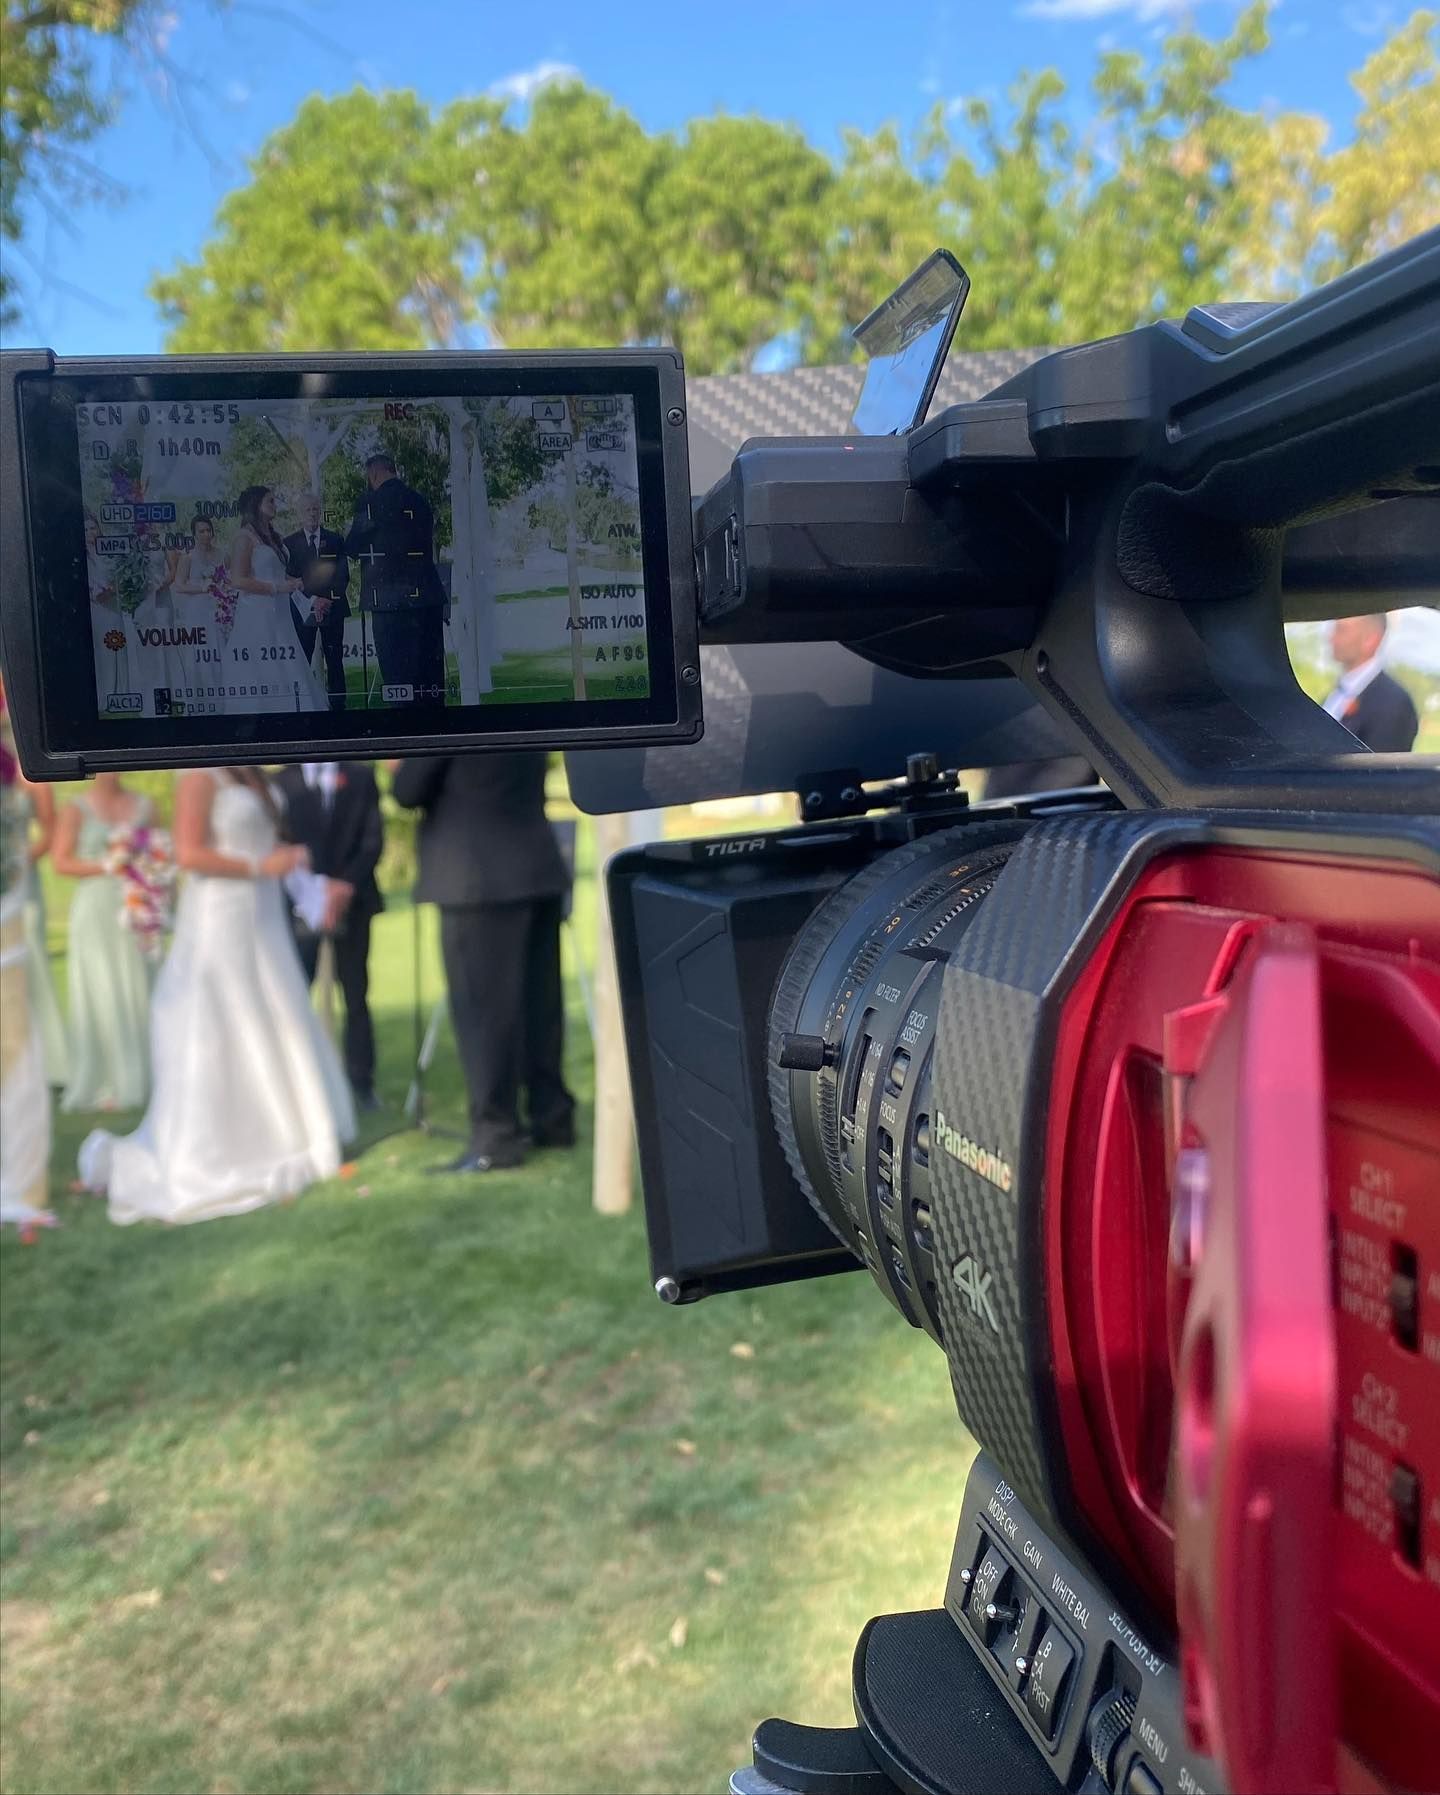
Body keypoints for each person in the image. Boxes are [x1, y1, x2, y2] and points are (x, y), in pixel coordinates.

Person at [78, 768, 357, 1225]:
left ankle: (290, 1129)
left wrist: (285, 860)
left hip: (263, 915)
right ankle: (228, 1143)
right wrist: (260, 866)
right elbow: (189, 853)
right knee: (227, 1018)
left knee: (276, 1012)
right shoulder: (199, 776)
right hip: (220, 914)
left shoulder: (253, 774)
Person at [391, 753, 575, 1174]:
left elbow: (407, 792)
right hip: (536, 869)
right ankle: (552, 1119)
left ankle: (496, 1136)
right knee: (539, 1006)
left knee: (483, 1016)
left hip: (476, 880)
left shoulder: (443, 707)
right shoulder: (521, 696)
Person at [273, 761, 384, 1110]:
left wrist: (343, 887)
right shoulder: (282, 782)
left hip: (353, 900)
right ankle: (297, 1083)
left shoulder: (362, 775)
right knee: (294, 992)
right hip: (297, 904)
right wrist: (311, 891)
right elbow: (277, 842)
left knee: (356, 995)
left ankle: (362, 1084)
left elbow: (372, 839)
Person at [52, 773, 154, 1112]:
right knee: (101, 990)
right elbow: (61, 862)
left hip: (135, 905)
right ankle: (105, 1080)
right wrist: (108, 865)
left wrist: (144, 873)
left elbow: (159, 853)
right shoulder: (75, 808)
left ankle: (144, 1076)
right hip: (95, 910)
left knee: (139, 987)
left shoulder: (145, 806)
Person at [344, 454, 448, 701]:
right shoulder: (420, 500)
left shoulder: (370, 502)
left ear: (374, 474)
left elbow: (352, 547)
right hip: (427, 597)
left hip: (390, 602)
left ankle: (406, 732)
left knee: (399, 681)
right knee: (430, 678)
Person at [230, 486, 328, 714]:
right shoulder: (244, 538)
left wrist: (305, 594)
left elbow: (278, 575)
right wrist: (277, 587)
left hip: (280, 613)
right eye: (270, 501)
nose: (275, 505)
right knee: (264, 667)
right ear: (256, 505)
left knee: (289, 662)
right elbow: (238, 580)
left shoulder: (272, 537)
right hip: (257, 614)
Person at [14, 773, 68, 1086]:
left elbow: (49, 831)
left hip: (18, 880)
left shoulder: (30, 779)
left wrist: (17, 864)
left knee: (28, 957)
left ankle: (45, 1062)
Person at [283, 493, 351, 710]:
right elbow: (289, 578)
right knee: (303, 658)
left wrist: (326, 600)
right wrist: (312, 601)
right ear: (300, 514)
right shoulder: (288, 543)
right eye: (307, 510)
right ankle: (304, 705)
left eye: (315, 509)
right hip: (303, 609)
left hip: (333, 607)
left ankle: (339, 707)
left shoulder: (335, 539)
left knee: (335, 660)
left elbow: (343, 575)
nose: (312, 513)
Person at [1323, 613, 1420, 752]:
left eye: (1341, 630)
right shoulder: (1337, 693)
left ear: (1370, 640)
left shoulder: (1393, 703)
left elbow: (1380, 769)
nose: (1331, 638)